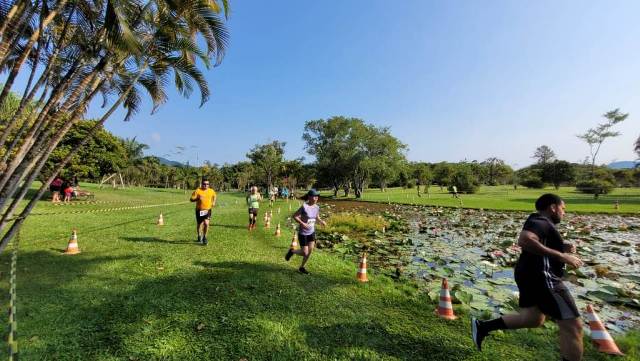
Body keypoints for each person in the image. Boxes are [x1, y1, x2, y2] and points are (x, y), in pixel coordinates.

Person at [471, 194, 583, 361]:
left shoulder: (538, 220)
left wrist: (561, 246)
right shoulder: (541, 221)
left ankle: (482, 327)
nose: (564, 212)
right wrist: (562, 256)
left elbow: (537, 240)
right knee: (572, 325)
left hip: (528, 274)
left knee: (532, 318)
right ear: (553, 207)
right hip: (544, 278)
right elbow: (525, 240)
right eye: (563, 208)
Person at [284, 189, 326, 274]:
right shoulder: (304, 207)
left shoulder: (317, 207)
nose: (316, 198)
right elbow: (295, 216)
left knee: (310, 251)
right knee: (304, 252)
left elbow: (316, 217)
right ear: (310, 197)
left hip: (312, 232)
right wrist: (302, 223)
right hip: (303, 233)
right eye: (315, 196)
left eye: (317, 196)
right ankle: (292, 251)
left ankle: (302, 267)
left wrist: (321, 221)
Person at [190, 178, 217, 245]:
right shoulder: (197, 190)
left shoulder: (211, 191)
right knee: (199, 224)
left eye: (207, 184)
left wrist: (213, 202)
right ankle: (199, 235)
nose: (206, 185)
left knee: (206, 223)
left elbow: (214, 196)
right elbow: (191, 199)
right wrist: (198, 198)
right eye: (204, 184)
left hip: (207, 210)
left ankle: (205, 237)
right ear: (202, 184)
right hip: (199, 210)